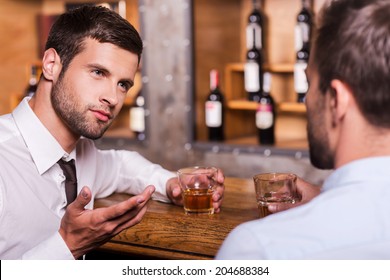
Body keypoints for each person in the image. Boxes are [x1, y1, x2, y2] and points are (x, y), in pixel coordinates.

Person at [0, 5, 224, 260]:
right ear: (51, 64)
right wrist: (68, 246)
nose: (113, 98)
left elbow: (120, 166)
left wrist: (170, 184)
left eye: (123, 84)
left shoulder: (80, 155)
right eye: (98, 72)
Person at [216, 0, 390, 259]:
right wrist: (325, 197)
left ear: (335, 99)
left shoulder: (258, 247)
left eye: (310, 83)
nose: (307, 99)